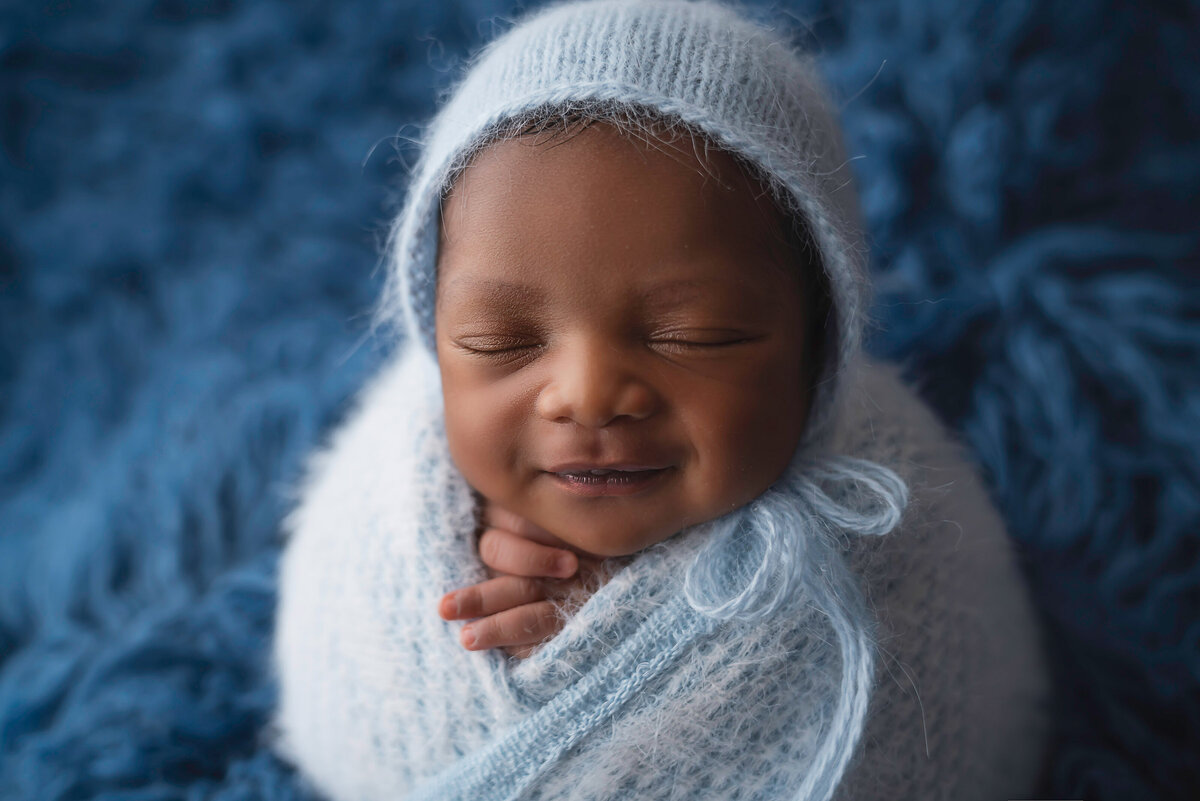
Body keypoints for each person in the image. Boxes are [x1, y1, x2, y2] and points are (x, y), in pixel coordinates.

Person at [272, 2, 1050, 799]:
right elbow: (358, 660)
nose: (587, 395)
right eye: (500, 340)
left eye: (696, 334)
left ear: (821, 342)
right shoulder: (392, 498)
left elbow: (950, 734)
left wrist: (638, 617)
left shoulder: (904, 531)